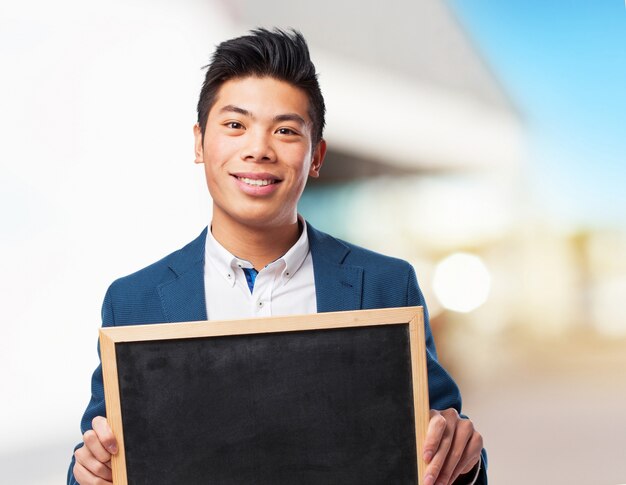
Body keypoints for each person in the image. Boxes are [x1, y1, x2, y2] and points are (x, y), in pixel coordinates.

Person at [68, 28, 486, 485]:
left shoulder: (385, 285)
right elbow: (97, 461)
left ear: (316, 156)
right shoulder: (134, 302)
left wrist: (461, 459)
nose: (259, 149)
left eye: (285, 130)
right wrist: (87, 472)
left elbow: (445, 449)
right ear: (198, 142)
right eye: (234, 125)